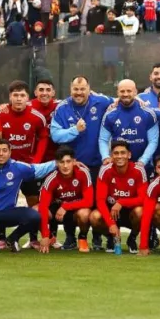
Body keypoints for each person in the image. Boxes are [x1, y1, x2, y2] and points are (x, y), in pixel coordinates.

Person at [50, 75, 115, 250]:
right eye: (75, 89)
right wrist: (74, 130)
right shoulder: (62, 108)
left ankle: (99, 238)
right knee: (71, 202)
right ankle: (70, 237)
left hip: (96, 165)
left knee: (97, 204)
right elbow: (55, 136)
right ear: (70, 89)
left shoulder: (101, 101)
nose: (79, 93)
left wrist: (140, 100)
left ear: (89, 88)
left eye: (82, 89)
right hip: (72, 167)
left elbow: (122, 99)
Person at [0, 80, 49, 249]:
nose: (18, 99)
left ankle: (32, 238)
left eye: (22, 95)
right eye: (15, 95)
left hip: (26, 168)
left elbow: (43, 137)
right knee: (2, 203)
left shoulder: (37, 117)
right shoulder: (0, 115)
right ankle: (1, 239)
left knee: (34, 201)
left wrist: (36, 160)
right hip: (5, 168)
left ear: (28, 98)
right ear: (9, 97)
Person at [91, 140, 147, 254]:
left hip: (131, 212)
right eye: (116, 153)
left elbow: (143, 199)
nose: (119, 156)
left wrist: (121, 202)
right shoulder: (105, 170)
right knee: (94, 217)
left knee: (141, 212)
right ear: (112, 155)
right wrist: (111, 223)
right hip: (111, 213)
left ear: (129, 155)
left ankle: (132, 238)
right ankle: (111, 237)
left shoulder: (139, 170)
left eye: (123, 153)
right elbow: (100, 201)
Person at [38, 146, 94, 252]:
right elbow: (43, 206)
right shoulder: (51, 178)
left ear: (74, 161)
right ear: (56, 163)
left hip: (76, 207)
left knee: (85, 213)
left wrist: (66, 206)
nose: (65, 166)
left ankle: (82, 238)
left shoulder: (83, 173)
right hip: (57, 210)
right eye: (61, 162)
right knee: (36, 211)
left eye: (68, 161)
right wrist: (44, 235)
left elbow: (89, 201)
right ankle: (50, 237)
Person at [99, 79, 159, 166]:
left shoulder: (148, 113)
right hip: (118, 166)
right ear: (117, 93)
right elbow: (103, 139)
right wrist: (105, 157)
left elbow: (153, 141)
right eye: (122, 91)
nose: (125, 94)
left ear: (135, 92)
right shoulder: (110, 114)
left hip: (143, 165)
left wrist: (143, 161)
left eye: (129, 91)